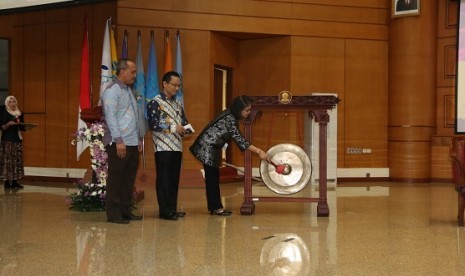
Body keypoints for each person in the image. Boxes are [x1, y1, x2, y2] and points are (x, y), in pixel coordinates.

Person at [189, 95, 269, 216]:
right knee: (212, 178)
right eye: (246, 110)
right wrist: (259, 151)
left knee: (213, 177)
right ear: (239, 109)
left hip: (211, 147)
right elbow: (240, 140)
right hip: (206, 147)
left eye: (250, 110)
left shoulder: (231, 114)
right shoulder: (230, 119)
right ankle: (216, 208)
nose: (248, 113)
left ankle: (215, 207)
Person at [101, 58, 143, 224]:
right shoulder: (112, 91)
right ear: (123, 71)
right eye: (133, 72)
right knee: (116, 179)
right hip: (118, 142)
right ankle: (113, 213)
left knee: (128, 178)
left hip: (132, 141)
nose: (135, 75)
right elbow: (111, 118)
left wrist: (138, 138)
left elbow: (131, 116)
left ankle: (126, 210)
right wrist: (119, 141)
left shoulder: (128, 90)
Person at [147, 71, 190, 221]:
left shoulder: (177, 103)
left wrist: (186, 128)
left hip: (177, 146)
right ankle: (164, 211)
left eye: (179, 86)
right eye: (174, 85)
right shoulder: (155, 102)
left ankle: (172, 208)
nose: (177, 88)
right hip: (162, 147)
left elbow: (183, 121)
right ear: (165, 84)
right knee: (164, 179)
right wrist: (174, 128)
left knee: (174, 179)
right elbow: (153, 124)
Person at [0, 96, 26, 190]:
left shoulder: (20, 113)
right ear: (7, 103)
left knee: (16, 160)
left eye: (14, 101)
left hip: (17, 139)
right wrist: (8, 124)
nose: (12, 103)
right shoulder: (4, 112)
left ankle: (15, 181)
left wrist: (26, 127)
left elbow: (22, 127)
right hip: (7, 140)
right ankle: (7, 182)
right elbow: (2, 128)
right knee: (8, 161)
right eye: (10, 102)